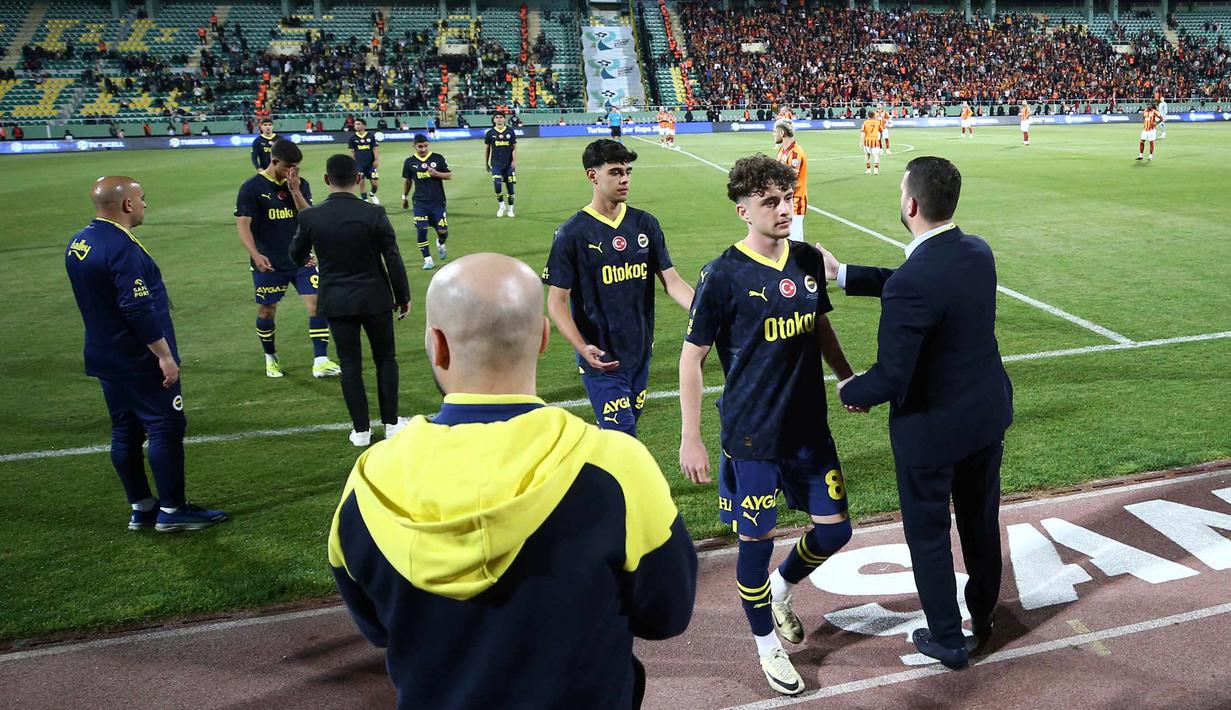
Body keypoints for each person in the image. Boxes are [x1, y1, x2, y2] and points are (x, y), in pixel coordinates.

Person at [327, 253, 697, 709]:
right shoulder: (615, 465)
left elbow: (378, 627)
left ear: (437, 344)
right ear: (544, 338)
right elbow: (667, 615)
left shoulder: (368, 482)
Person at [679, 155, 859, 696]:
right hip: (752, 436)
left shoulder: (805, 259)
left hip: (808, 429)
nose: (784, 209)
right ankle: (766, 646)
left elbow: (819, 325)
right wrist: (692, 436)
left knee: (836, 530)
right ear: (743, 211)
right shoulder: (722, 275)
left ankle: (783, 586)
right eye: (771, 202)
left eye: (788, 199)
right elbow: (692, 359)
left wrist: (846, 377)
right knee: (754, 546)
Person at [825, 156, 1013, 670]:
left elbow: (891, 377)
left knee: (928, 535)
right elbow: (920, 280)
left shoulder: (915, 281)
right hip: (985, 419)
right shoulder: (977, 251)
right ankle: (985, 617)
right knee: (979, 524)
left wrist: (848, 389)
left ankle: (948, 640)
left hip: (932, 434)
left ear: (910, 204)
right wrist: (844, 275)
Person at [65, 176, 227, 533]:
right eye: (142, 199)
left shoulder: (80, 242)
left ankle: (142, 508)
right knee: (165, 427)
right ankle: (172, 510)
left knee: (125, 431)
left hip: (105, 353)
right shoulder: (120, 247)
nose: (145, 205)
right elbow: (137, 307)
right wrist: (164, 356)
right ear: (126, 205)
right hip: (138, 358)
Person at [542, 140, 693, 437]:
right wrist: (581, 346)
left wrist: (706, 315)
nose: (624, 178)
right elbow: (557, 302)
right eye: (615, 172)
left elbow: (672, 282)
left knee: (620, 434)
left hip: (639, 353)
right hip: (601, 359)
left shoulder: (645, 224)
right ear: (592, 176)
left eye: (628, 171)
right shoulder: (572, 233)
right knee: (624, 436)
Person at [291, 154, 411, 447]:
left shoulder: (310, 217)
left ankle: (360, 431)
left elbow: (295, 255)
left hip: (337, 301)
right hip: (375, 298)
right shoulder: (375, 213)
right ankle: (392, 425)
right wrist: (403, 296)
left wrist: (312, 255)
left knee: (350, 363)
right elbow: (392, 257)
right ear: (359, 179)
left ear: (326, 180)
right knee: (385, 359)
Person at [235, 138, 341, 378]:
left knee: (317, 303)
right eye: (288, 166)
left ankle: (320, 360)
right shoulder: (251, 188)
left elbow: (308, 217)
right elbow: (243, 225)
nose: (292, 172)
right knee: (267, 310)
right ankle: (270, 357)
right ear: (274, 161)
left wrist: (294, 190)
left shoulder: (299, 184)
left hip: (301, 259)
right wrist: (255, 255)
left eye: (296, 167)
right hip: (269, 262)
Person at [401, 133, 451, 270]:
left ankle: (440, 243)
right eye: (420, 146)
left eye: (425, 146)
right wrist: (404, 197)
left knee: (442, 231)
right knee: (421, 229)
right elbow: (408, 181)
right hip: (420, 202)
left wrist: (437, 174)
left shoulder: (437, 158)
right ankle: (428, 259)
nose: (423, 149)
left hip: (438, 202)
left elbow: (449, 175)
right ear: (414, 146)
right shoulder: (409, 162)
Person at [773, 119, 808, 241]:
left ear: (782, 133)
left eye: (775, 132)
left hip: (795, 200)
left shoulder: (795, 154)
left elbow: (791, 181)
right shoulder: (782, 151)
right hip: (785, 199)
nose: (773, 134)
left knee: (795, 237)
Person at [484, 112, 517, 218]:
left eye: (501, 117)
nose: (498, 119)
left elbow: (514, 148)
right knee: (497, 186)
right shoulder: (490, 133)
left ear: (504, 119)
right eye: (496, 117)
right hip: (496, 164)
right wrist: (486, 163)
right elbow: (487, 149)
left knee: (510, 188)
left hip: (508, 164)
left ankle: (510, 209)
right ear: (494, 120)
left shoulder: (510, 131)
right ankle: (502, 206)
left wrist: (514, 162)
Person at [347, 118, 381, 203]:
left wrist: (376, 160)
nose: (356, 126)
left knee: (375, 183)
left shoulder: (370, 136)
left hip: (371, 164)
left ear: (363, 125)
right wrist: (352, 163)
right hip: (359, 165)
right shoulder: (352, 138)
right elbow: (352, 151)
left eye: (358, 124)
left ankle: (372, 194)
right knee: (361, 183)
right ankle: (365, 200)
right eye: (355, 124)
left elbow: (375, 148)